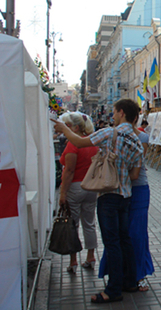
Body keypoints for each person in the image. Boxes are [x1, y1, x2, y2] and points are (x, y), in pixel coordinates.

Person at [52, 99, 143, 304]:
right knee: (124, 240)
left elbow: (80, 142)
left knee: (112, 243)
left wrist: (63, 129)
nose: (113, 116)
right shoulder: (137, 140)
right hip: (125, 195)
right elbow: (135, 174)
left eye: (114, 112)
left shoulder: (110, 133)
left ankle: (113, 290)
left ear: (121, 112)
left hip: (108, 195)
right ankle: (130, 282)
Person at [98, 113, 154, 291]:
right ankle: (118, 274)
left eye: (116, 113)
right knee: (117, 234)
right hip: (119, 189)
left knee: (136, 234)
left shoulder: (141, 137)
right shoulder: (112, 135)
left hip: (136, 189)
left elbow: (136, 165)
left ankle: (138, 275)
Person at [58, 112, 99, 274]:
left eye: (68, 126)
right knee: (89, 223)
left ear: (75, 127)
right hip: (91, 187)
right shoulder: (92, 143)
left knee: (72, 225)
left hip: (75, 187)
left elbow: (69, 171)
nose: (65, 129)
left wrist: (63, 193)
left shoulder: (73, 145)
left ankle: (73, 260)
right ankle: (91, 257)